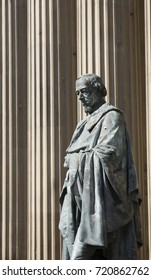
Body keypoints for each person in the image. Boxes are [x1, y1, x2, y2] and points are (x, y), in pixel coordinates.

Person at [59, 73, 142, 260]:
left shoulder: (111, 116)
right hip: (80, 198)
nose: (80, 97)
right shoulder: (82, 124)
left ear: (97, 90)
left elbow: (108, 153)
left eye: (84, 91)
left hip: (102, 202)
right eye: (77, 93)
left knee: (79, 258)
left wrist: (75, 159)